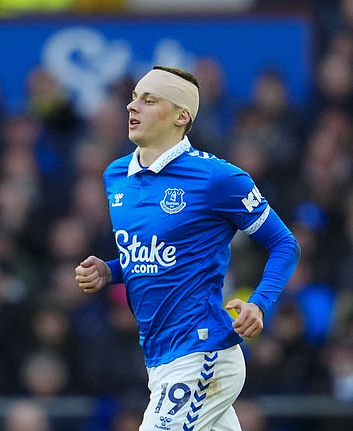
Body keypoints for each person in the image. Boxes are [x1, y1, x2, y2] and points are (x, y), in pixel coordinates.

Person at [74, 66, 301, 431]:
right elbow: (162, 254)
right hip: (159, 358)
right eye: (133, 98)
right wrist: (109, 270)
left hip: (202, 354)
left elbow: (284, 243)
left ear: (182, 116)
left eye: (149, 100)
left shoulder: (218, 178)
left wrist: (259, 303)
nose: (133, 107)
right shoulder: (116, 175)